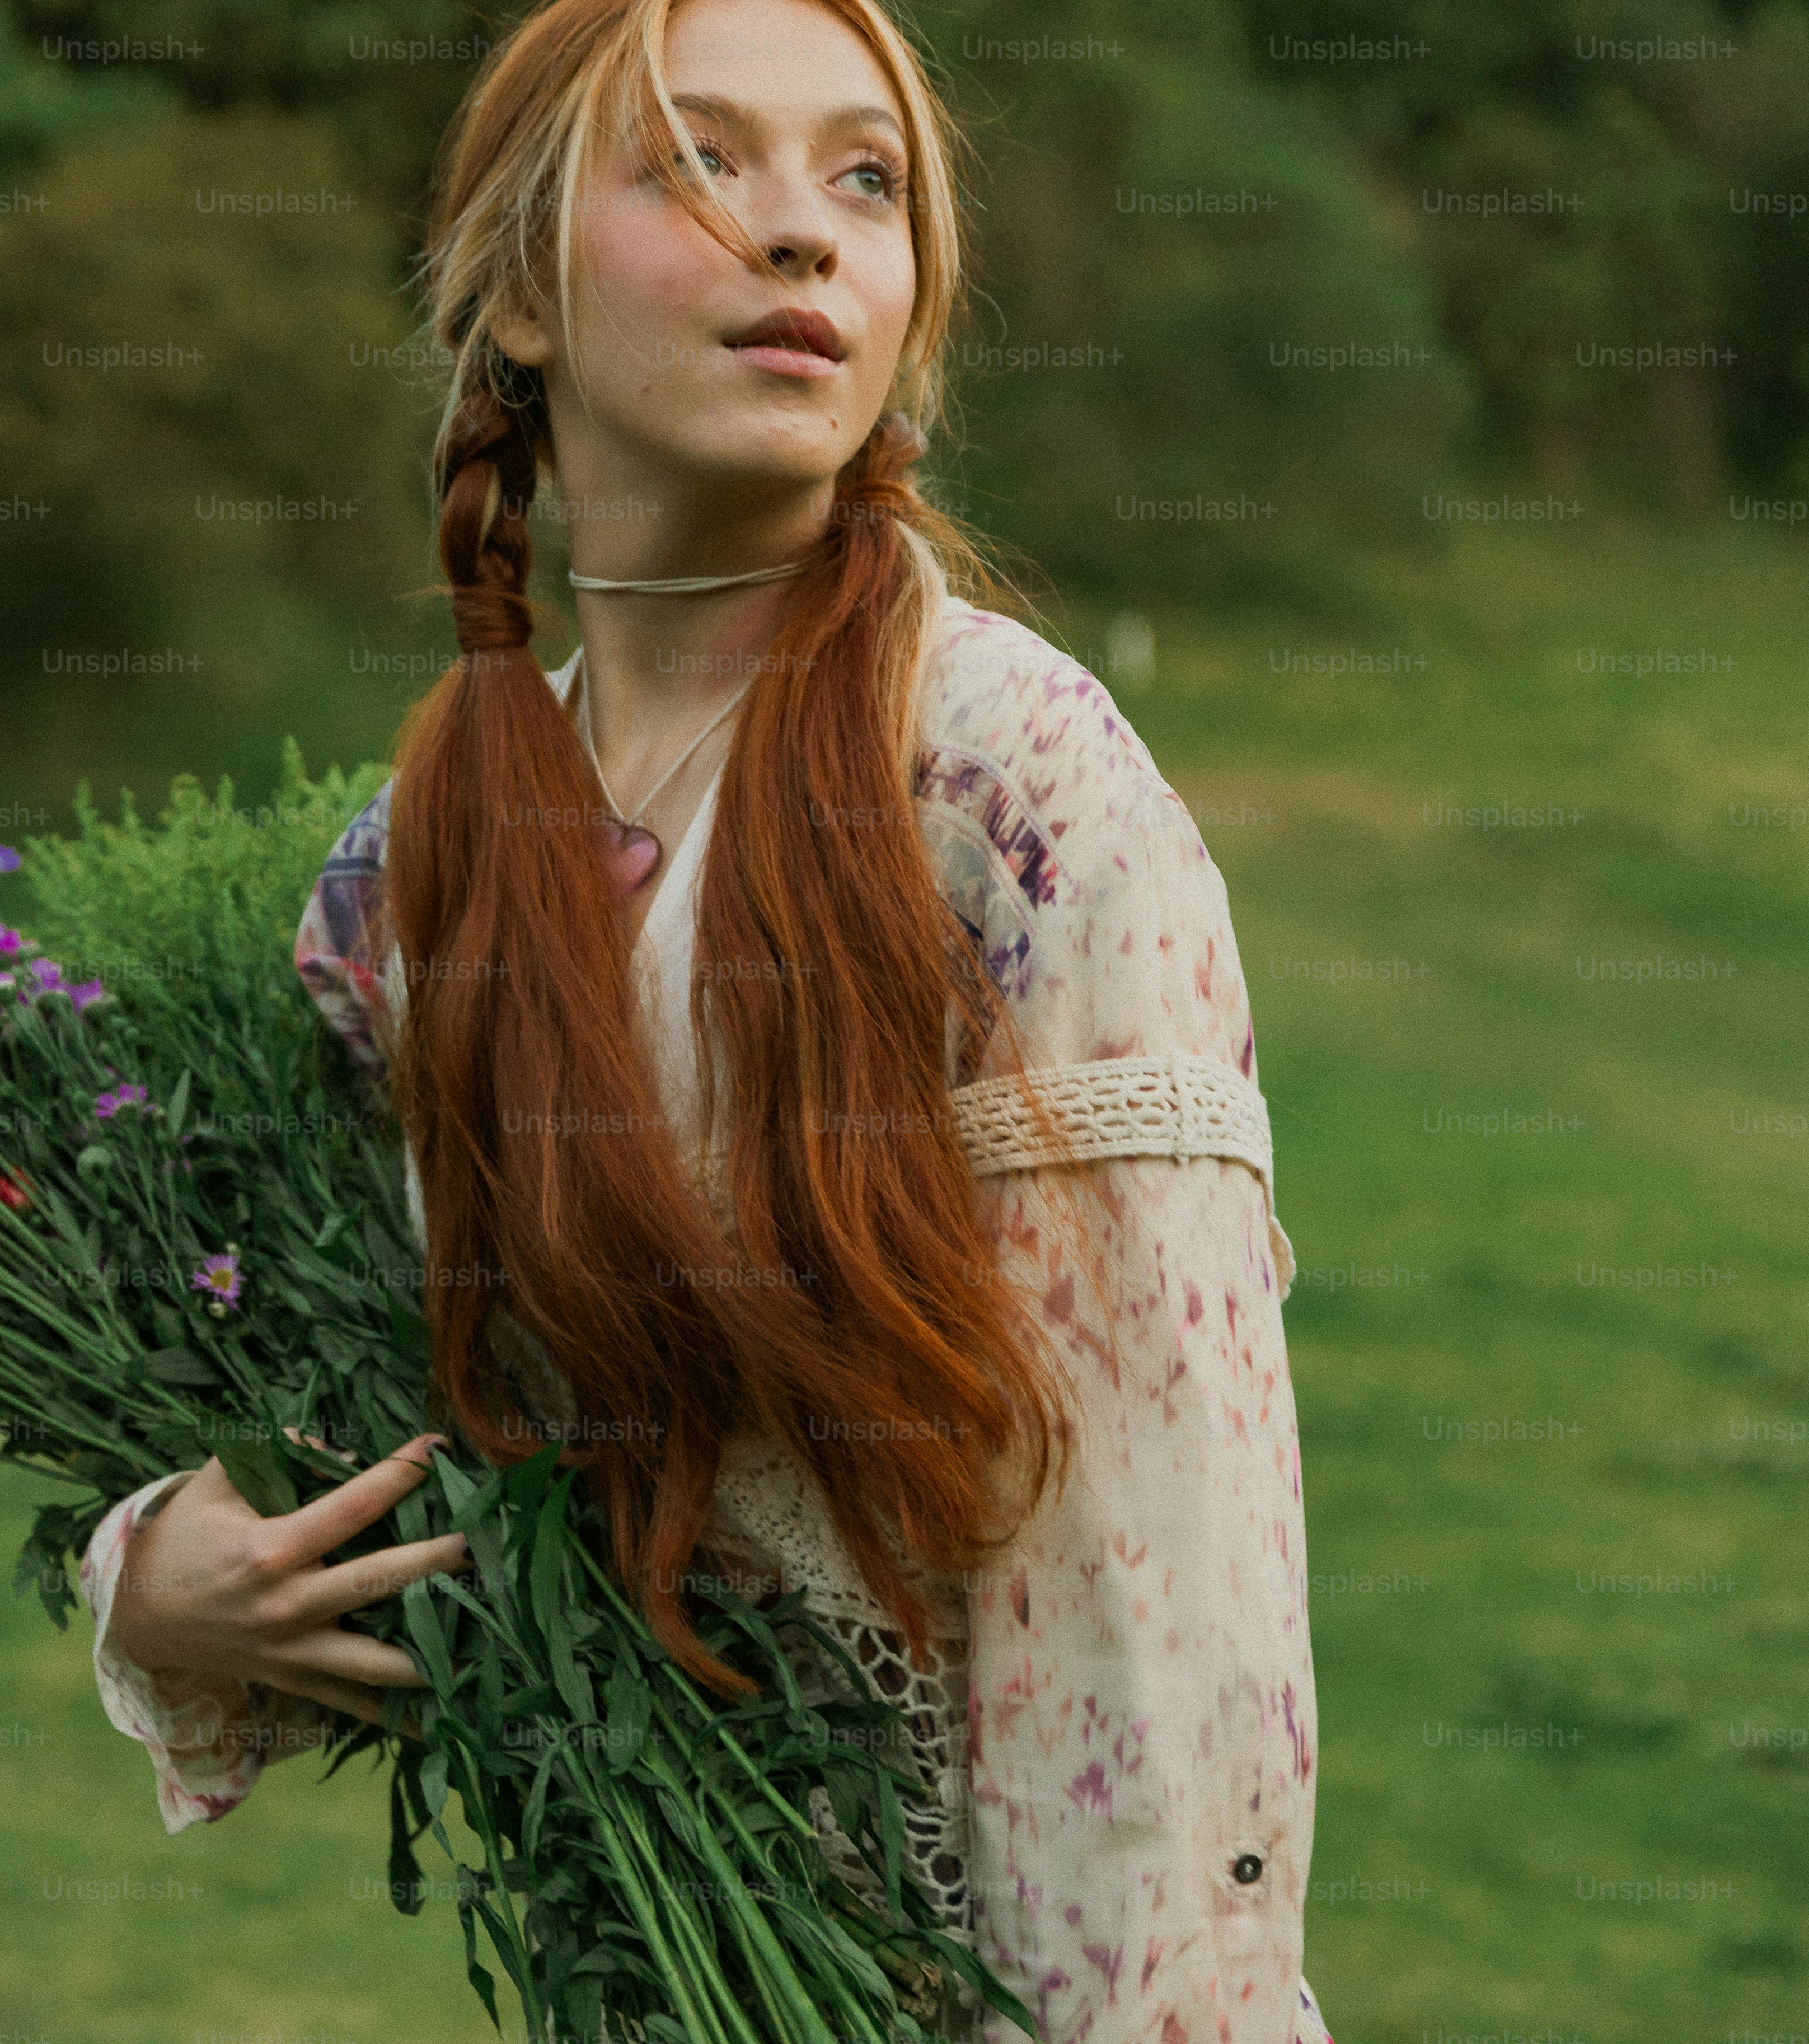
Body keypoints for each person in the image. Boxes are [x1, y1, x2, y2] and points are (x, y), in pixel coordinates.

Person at [77, 0, 1333, 2036]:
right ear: (521, 296)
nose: (801, 232)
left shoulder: (1004, 780)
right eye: (701, 161)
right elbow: (391, 1434)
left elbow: (1166, 1592)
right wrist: (162, 1579)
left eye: (865, 179)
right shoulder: (410, 868)